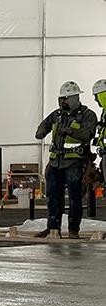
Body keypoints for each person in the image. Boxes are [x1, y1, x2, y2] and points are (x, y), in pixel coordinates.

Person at [35, 81, 96, 239]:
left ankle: (73, 230)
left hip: (74, 163)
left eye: (66, 99)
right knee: (53, 197)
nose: (63, 102)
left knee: (75, 198)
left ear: (75, 98)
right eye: (61, 99)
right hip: (56, 162)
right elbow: (44, 126)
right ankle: (53, 228)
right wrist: (42, 131)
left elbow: (87, 134)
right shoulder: (57, 114)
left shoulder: (88, 115)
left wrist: (68, 130)